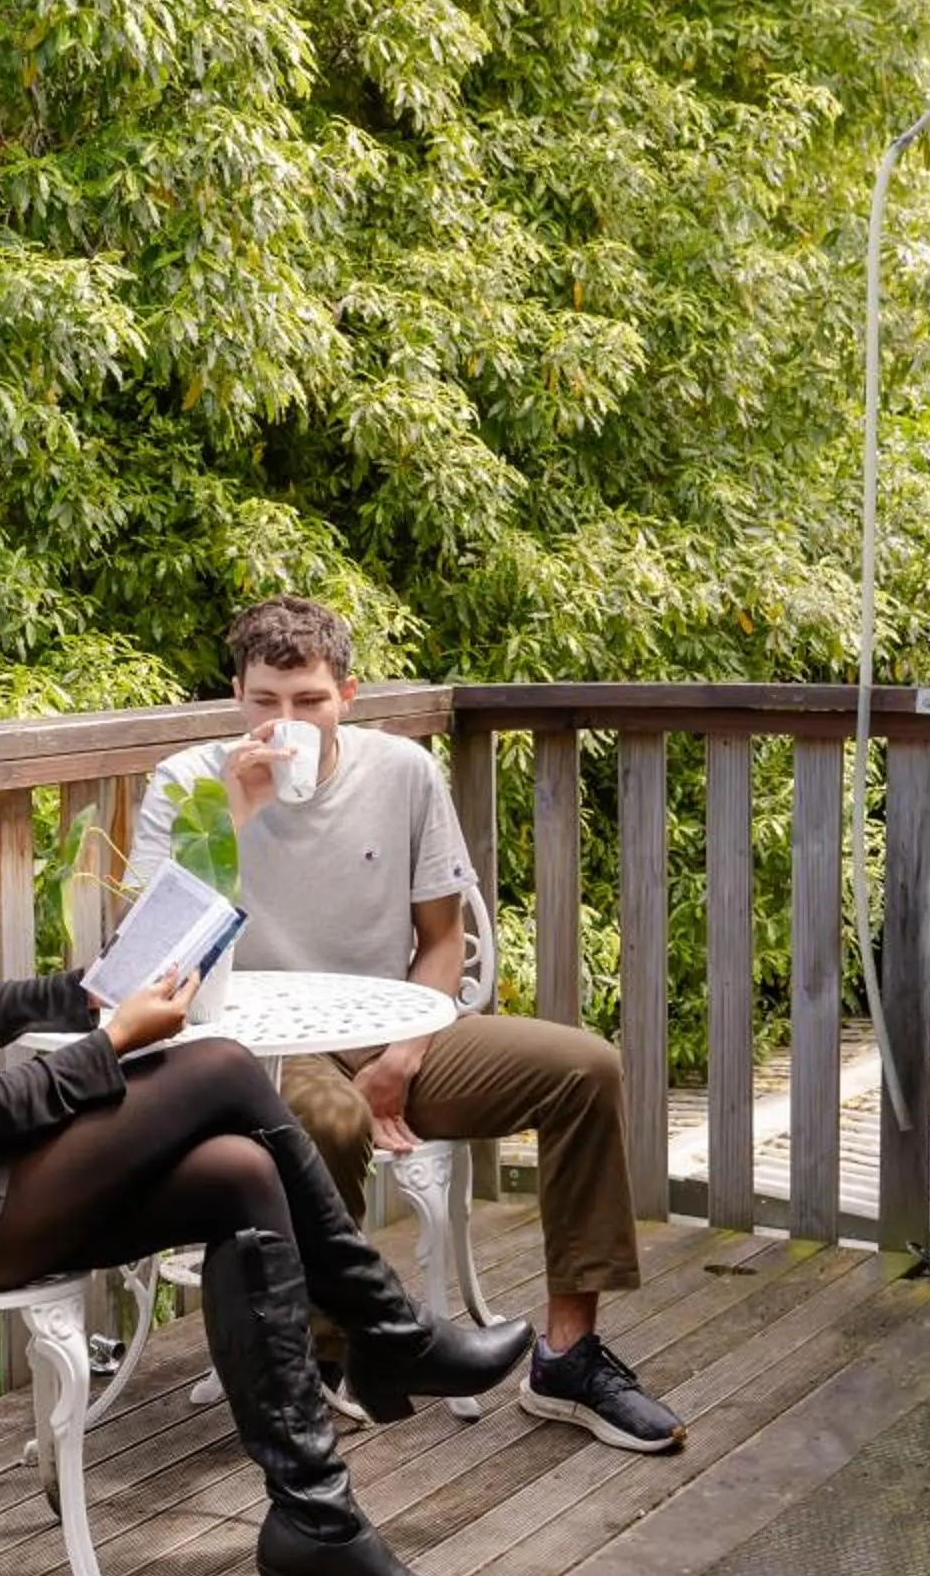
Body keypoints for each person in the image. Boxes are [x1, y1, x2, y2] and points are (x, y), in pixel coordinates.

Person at [0, 624, 531, 1576]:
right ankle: (390, 1329)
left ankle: (315, 1519)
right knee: (226, 1066)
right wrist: (112, 1042)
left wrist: (88, 991)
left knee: (241, 1170)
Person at [129, 597, 688, 1453]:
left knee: (586, 1068)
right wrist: (232, 816)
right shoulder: (185, 785)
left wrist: (405, 1051)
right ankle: (314, 1365)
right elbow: (154, 955)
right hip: (254, 1044)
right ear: (235, 695)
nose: (286, 724)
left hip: (396, 1021)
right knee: (326, 1116)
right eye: (265, 702)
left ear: (347, 695)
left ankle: (568, 1359)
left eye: (309, 701)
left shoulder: (403, 773)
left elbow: (442, 942)